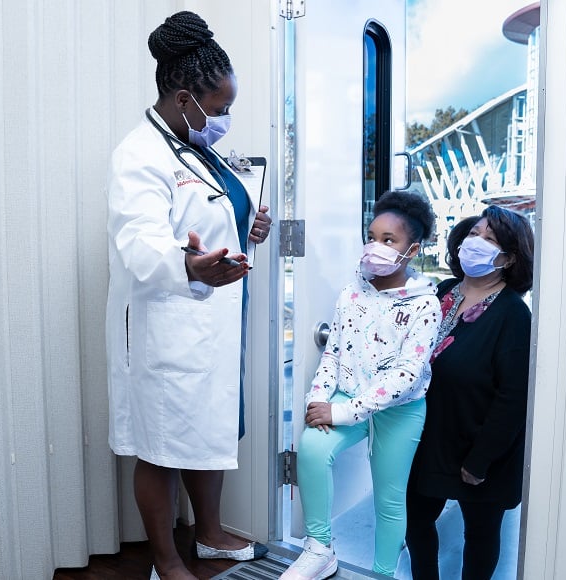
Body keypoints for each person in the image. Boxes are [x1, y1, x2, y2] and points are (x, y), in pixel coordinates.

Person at [104, 11, 273, 580]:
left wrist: (247, 225)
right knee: (161, 442)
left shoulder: (194, 145)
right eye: (219, 109)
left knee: (207, 426)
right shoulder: (139, 155)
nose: (224, 118)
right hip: (166, 323)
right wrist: (191, 267)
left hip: (215, 317)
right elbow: (141, 243)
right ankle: (166, 560)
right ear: (184, 99)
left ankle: (210, 533)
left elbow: (211, 212)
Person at [280, 191, 442, 580]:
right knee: (313, 449)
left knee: (388, 497)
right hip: (345, 394)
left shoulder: (425, 304)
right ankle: (319, 549)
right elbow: (333, 351)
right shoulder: (353, 290)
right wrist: (319, 398)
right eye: (372, 236)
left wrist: (342, 411)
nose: (376, 247)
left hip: (400, 409)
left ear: (412, 249)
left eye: (389, 240)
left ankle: (383, 572)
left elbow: (405, 377)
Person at [405, 206, 535, 580]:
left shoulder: (513, 315)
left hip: (481, 449)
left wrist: (480, 461)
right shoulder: (440, 292)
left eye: (490, 239)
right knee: (416, 524)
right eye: (474, 233)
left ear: (509, 258)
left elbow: (513, 397)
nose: (475, 243)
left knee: (480, 537)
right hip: (428, 439)